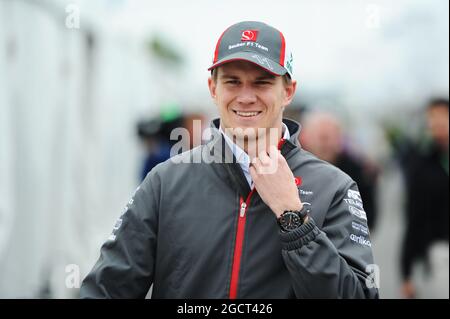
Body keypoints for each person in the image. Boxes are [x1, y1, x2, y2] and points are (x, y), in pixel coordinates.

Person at [80, 21, 379, 299]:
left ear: (288, 91)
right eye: (233, 82)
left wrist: (293, 219)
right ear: (213, 88)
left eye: (261, 83)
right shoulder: (165, 181)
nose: (246, 96)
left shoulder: (334, 187)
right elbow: (104, 290)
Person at [400, 98, 449, 298]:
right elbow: (414, 216)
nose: (437, 122)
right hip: (440, 252)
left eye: (442, 116)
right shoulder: (421, 163)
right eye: (432, 117)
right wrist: (406, 271)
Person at [300, 112, 379, 231]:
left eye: (329, 137)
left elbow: (369, 216)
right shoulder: (294, 168)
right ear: (305, 137)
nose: (325, 143)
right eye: (321, 137)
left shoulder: (357, 171)